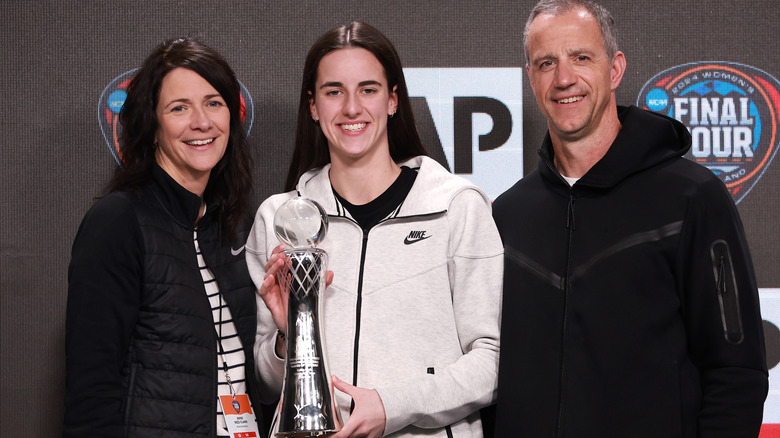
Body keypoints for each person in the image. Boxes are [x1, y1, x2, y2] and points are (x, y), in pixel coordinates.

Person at [491, 1, 769, 436]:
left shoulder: (692, 198)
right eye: (547, 63)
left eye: (582, 58)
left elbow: (736, 372)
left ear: (615, 68)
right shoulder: (506, 215)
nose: (564, 79)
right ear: (531, 77)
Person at [246, 21, 503, 438]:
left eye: (368, 89)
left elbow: (491, 361)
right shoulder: (281, 221)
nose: (351, 108)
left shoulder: (457, 207)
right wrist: (287, 335)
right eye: (334, 92)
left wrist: (392, 406)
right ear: (313, 106)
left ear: (392, 100)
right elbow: (265, 383)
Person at [64, 38, 267, 437]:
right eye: (179, 108)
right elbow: (91, 389)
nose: (201, 122)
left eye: (213, 102)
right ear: (152, 127)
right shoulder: (118, 221)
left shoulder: (231, 227)